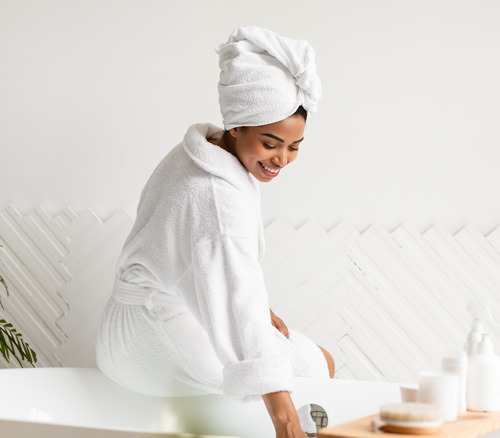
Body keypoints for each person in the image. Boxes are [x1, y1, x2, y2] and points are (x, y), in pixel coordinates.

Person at [95, 26, 333, 438]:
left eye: (294, 147)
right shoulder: (216, 200)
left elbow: (197, 261)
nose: (282, 159)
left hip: (127, 328)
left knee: (302, 359)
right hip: (154, 346)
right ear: (237, 126)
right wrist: (286, 421)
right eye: (271, 143)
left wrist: (257, 310)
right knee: (320, 367)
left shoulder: (199, 153)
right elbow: (230, 279)